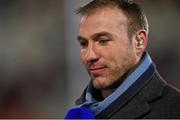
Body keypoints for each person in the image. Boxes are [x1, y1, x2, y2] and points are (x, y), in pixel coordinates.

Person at [73, 0, 180, 119]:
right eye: (83, 44)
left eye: (103, 41)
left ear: (139, 42)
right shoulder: (78, 114)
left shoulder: (174, 110)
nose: (89, 56)